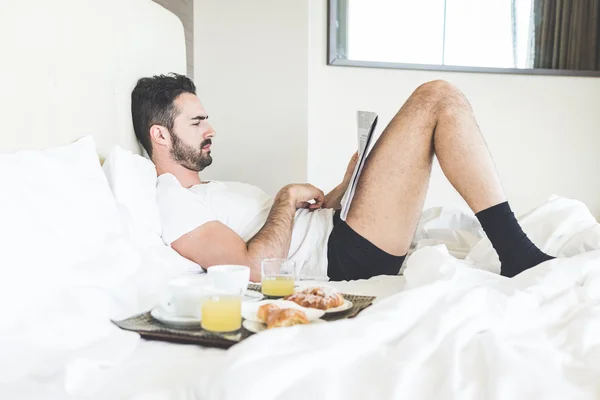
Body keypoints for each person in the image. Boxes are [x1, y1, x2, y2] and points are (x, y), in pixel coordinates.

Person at [131, 73, 553, 282]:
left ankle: (515, 250)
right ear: (161, 135)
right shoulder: (170, 199)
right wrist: (286, 195)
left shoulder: (212, 191)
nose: (211, 130)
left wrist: (340, 191)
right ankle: (516, 252)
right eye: (197, 123)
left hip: (340, 229)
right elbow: (254, 268)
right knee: (437, 98)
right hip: (345, 256)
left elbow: (286, 233)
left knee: (437, 100)